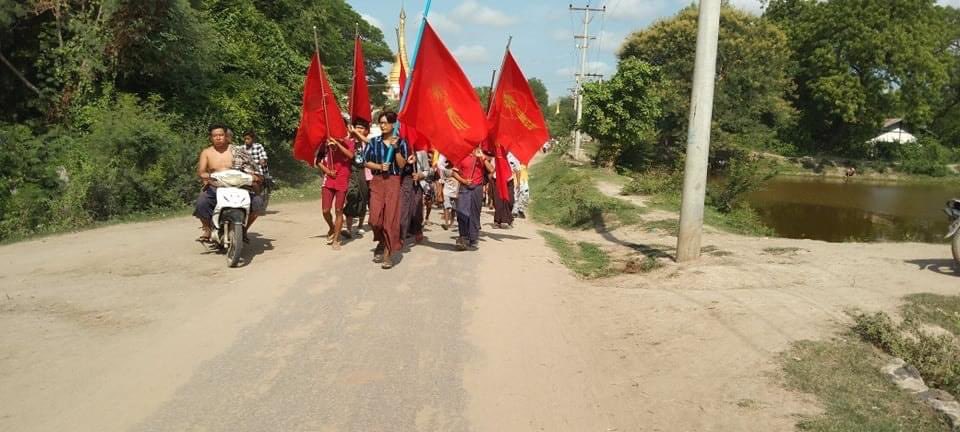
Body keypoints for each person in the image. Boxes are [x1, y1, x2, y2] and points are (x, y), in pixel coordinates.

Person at [193, 123, 264, 243]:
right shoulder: (206, 152)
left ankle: (244, 230)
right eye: (215, 135)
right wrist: (207, 177)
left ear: (226, 136)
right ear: (211, 137)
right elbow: (201, 171)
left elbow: (250, 167)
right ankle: (207, 229)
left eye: (221, 135)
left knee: (257, 202)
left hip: (239, 184)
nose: (218, 138)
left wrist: (253, 176)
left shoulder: (238, 150)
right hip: (216, 184)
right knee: (201, 202)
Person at [364, 111, 409, 269]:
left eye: (385, 123)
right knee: (374, 219)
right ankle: (381, 241)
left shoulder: (401, 142)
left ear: (393, 124)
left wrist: (396, 149)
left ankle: (388, 254)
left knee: (390, 219)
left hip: (393, 181)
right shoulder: (373, 142)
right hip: (377, 181)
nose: (382, 125)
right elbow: (366, 161)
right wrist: (379, 166)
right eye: (380, 122)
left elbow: (402, 165)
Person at [317, 132, 355, 250]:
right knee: (325, 210)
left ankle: (336, 239)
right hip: (329, 180)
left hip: (342, 179)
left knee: (339, 209)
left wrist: (338, 144)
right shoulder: (325, 144)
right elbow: (317, 160)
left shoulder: (349, 142)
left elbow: (351, 156)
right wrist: (328, 171)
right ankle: (332, 227)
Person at [453, 147, 493, 250]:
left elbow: (492, 169)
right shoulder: (461, 156)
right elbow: (454, 173)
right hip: (464, 187)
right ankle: (463, 236)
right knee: (461, 211)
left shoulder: (481, 157)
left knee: (475, 212)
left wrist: (482, 158)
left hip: (477, 188)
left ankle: (473, 238)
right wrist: (464, 181)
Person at [344, 119, 372, 238]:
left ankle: (360, 225)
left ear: (366, 131)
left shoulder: (367, 142)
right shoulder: (349, 141)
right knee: (351, 197)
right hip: (352, 174)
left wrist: (357, 134)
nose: (359, 129)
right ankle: (348, 228)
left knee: (363, 200)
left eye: (361, 128)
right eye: (357, 127)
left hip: (367, 175)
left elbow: (370, 144)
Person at [242, 130, 272, 209]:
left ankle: (258, 199)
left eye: (248, 139)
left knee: (254, 183)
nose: (246, 141)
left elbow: (263, 157)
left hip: (258, 171)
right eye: (245, 139)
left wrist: (262, 161)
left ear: (253, 139)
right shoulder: (242, 148)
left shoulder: (258, 146)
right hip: (245, 172)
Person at [492, 150, 519, 229]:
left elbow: (517, 170)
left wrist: (518, 183)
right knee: (498, 201)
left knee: (510, 201)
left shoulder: (513, 157)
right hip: (498, 180)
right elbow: (491, 168)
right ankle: (498, 221)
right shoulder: (497, 155)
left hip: (509, 181)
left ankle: (509, 219)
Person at [438, 156, 459, 230]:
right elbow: (441, 181)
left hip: (455, 189)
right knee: (446, 206)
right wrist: (440, 193)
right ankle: (446, 223)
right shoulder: (443, 169)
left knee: (454, 208)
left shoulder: (457, 168)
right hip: (446, 189)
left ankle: (451, 223)